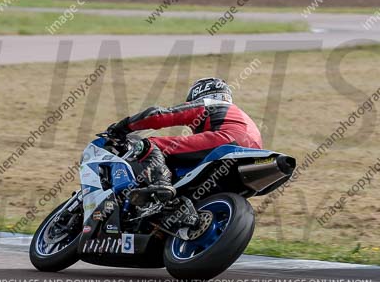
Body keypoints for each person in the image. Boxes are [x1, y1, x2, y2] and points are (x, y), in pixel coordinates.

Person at [106, 77, 263, 232]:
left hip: (227, 142)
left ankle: (162, 185)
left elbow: (158, 115)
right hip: (251, 154)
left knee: (150, 144)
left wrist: (122, 127)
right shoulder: (240, 115)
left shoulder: (211, 104)